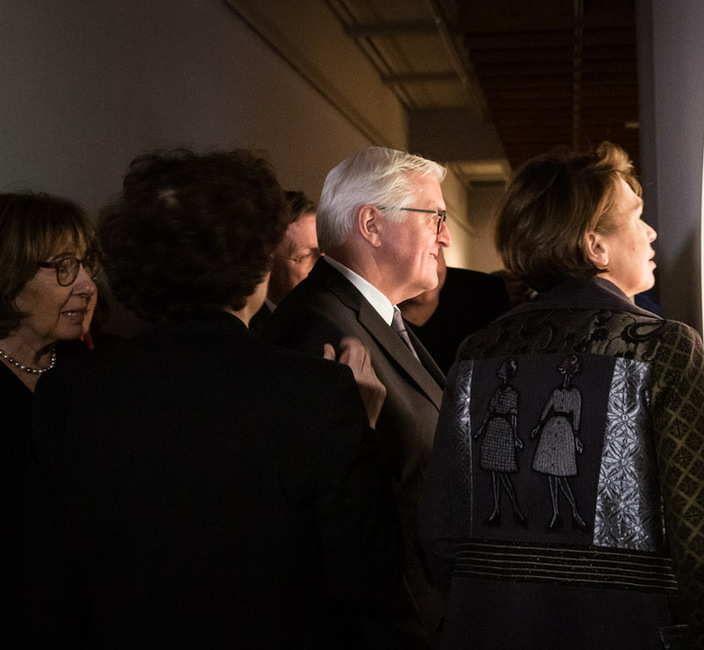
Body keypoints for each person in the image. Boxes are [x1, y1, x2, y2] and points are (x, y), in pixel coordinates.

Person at [24, 150, 405, 648]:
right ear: (255, 264)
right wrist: (364, 430)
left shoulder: (70, 389)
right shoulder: (316, 394)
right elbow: (369, 576)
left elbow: (46, 580)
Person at [418, 142, 704, 649]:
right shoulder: (662, 348)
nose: (651, 233)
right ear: (595, 246)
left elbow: (441, 537)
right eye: (637, 217)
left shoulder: (476, 353)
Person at [261, 146, 451, 647]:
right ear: (371, 224)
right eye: (435, 217)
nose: (445, 237)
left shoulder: (371, 315)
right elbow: (331, 525)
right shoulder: (317, 326)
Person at [0, 192, 98, 644]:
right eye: (63, 267)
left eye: (85, 265)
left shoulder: (95, 373)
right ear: (8, 275)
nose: (87, 285)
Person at [399, 248, 510, 374]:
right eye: (414, 258)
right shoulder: (376, 313)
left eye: (432, 255)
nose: (428, 275)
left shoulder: (486, 291)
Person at [249, 190, 320, 335]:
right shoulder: (252, 333)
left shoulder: (338, 321)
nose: (322, 265)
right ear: (268, 263)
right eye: (305, 256)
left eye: (324, 252)